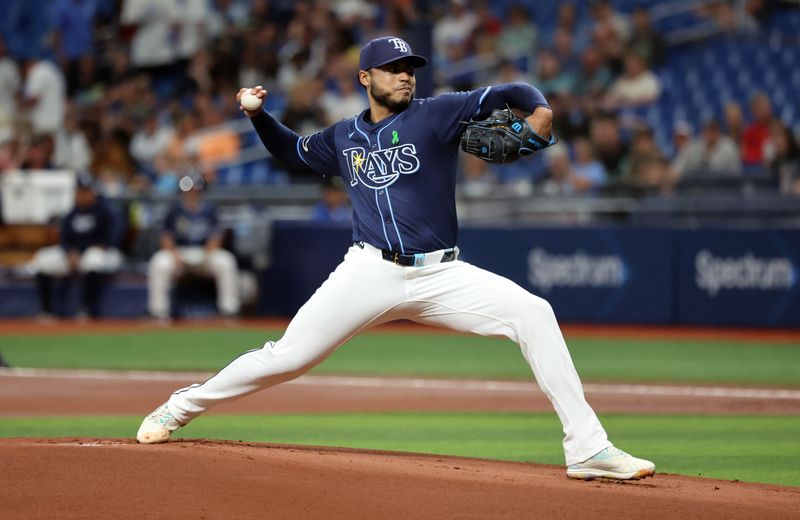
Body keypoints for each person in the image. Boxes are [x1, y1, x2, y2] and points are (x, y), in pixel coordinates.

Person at [137, 36, 655, 481]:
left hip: (443, 273)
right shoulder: (344, 136)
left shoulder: (438, 113)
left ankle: (587, 448)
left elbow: (508, 92)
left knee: (533, 313)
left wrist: (539, 108)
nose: (406, 77)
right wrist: (257, 115)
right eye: (394, 69)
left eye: (410, 69)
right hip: (369, 271)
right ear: (366, 77)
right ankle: (180, 406)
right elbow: (292, 153)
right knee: (287, 357)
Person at [147, 174, 240, 321]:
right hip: (179, 252)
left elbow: (215, 238)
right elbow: (166, 237)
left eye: (195, 190)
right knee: (159, 262)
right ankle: (159, 313)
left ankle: (229, 311)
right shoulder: (175, 210)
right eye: (188, 190)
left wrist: (205, 258)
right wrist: (174, 256)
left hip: (205, 252)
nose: (191, 193)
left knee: (226, 261)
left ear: (201, 192)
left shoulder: (210, 210)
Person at [30, 172, 123, 319]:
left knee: (93, 259)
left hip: (104, 254)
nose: (82, 195)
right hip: (75, 255)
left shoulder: (105, 209)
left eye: (86, 191)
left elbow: (117, 233)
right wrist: (69, 252)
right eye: (79, 191)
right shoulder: (73, 212)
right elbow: (64, 238)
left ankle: (87, 310)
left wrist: (103, 245)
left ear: (93, 191)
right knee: (42, 260)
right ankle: (47, 311)